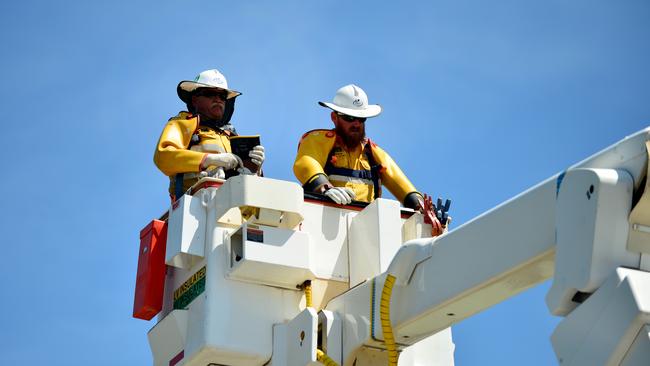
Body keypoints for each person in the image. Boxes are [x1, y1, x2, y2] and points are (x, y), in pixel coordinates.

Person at [293, 84, 443, 234]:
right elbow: (306, 163)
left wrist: (423, 207)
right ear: (334, 117)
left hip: (367, 230)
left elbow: (402, 184)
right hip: (323, 225)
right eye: (349, 118)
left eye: (361, 118)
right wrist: (325, 188)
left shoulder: (373, 153)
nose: (356, 124)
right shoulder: (318, 140)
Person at [154, 69, 265, 201]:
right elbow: (163, 156)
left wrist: (255, 170)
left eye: (222, 96)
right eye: (211, 94)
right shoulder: (182, 123)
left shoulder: (231, 135)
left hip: (233, 206)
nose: (218, 99)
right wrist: (209, 159)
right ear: (195, 100)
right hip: (193, 205)